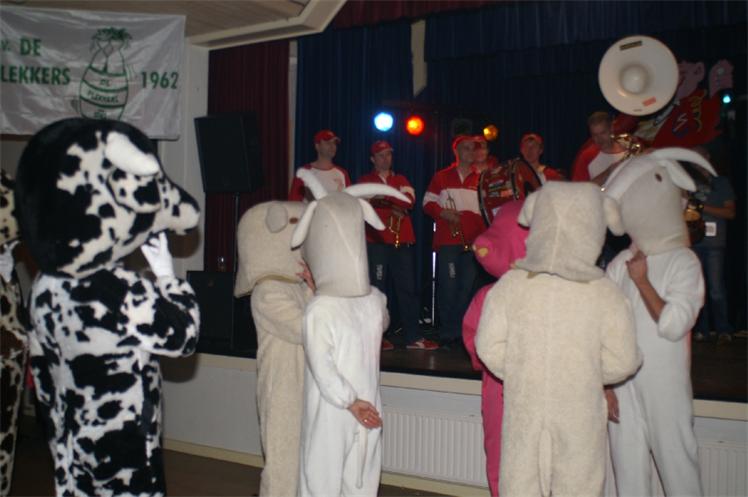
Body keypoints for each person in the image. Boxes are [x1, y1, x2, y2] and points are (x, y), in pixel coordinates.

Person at [475, 182, 640, 497]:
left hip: (525, 403)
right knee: (579, 486)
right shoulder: (605, 292)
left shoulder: (511, 284)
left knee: (519, 484)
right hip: (579, 408)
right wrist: (587, 373)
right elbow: (624, 360)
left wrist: (522, 369)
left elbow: (488, 346)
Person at [291, 170, 410, 497]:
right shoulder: (375, 300)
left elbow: (322, 366)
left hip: (334, 409)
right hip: (368, 404)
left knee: (320, 480)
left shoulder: (319, 310)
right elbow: (378, 319)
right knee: (361, 480)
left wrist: (349, 401)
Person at [603, 148, 712, 497]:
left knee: (677, 466)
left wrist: (643, 282)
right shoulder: (620, 262)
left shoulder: (684, 261)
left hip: (664, 383)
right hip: (623, 380)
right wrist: (606, 383)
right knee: (628, 471)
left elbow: (674, 325)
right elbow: (605, 324)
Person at [462, 200, 528, 497]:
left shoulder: (490, 295)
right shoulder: (489, 295)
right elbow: (474, 339)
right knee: (504, 455)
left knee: (508, 456)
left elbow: (474, 340)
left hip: (506, 389)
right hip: (500, 390)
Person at [358, 140, 438, 351]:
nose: (386, 159)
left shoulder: (401, 179)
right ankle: (376, 337)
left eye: (388, 154)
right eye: (381, 155)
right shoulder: (365, 180)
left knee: (408, 289)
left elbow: (409, 201)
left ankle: (413, 337)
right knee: (377, 290)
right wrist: (392, 202)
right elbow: (363, 204)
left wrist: (382, 200)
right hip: (376, 241)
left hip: (401, 240)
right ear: (372, 159)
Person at [423, 135, 484, 348]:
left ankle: (459, 332)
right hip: (449, 239)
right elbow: (427, 203)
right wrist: (443, 213)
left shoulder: (481, 179)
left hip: (474, 241)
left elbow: (487, 211)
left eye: (473, 148)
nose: (471, 152)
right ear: (456, 152)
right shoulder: (442, 176)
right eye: (466, 148)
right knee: (448, 287)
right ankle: (448, 333)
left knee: (466, 289)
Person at [689, 147, 736, 344]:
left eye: (700, 157)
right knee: (697, 290)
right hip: (692, 243)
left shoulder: (721, 182)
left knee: (716, 290)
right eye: (693, 158)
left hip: (714, 243)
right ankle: (702, 330)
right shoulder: (688, 183)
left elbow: (730, 213)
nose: (697, 162)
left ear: (708, 158)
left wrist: (702, 207)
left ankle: (723, 330)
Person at [289, 129, 351, 201]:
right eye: (328, 143)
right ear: (317, 146)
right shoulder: (304, 173)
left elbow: (350, 202)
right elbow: (293, 203)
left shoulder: (343, 173)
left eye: (334, 143)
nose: (332, 146)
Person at [570, 112, 627, 185]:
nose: (600, 139)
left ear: (611, 129)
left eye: (603, 133)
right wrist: (607, 173)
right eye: (595, 135)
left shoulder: (627, 149)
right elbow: (579, 188)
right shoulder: (586, 156)